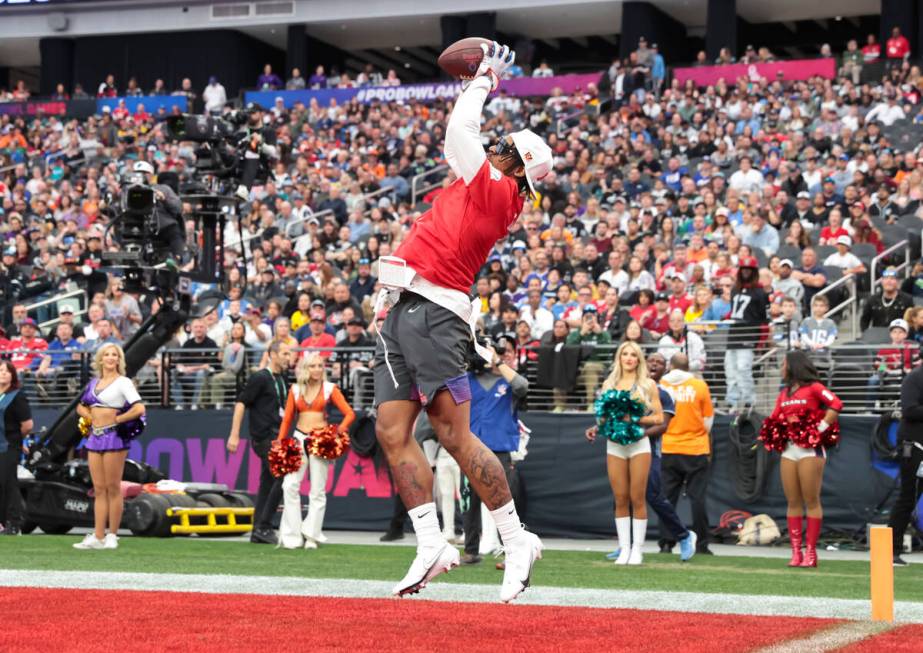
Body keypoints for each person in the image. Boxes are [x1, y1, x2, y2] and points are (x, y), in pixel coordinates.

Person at [371, 41, 550, 602]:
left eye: (503, 146)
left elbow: (457, 133)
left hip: (436, 315)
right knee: (391, 431)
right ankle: (431, 542)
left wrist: (484, 79)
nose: (493, 146)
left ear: (516, 165)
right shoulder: (483, 188)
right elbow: (461, 149)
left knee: (453, 434)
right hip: (407, 308)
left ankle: (515, 538)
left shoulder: (498, 193)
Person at [606, 353, 698, 562]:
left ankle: (684, 535)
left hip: (649, 450)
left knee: (652, 495)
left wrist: (636, 433)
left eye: (660, 362)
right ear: (645, 365)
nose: (655, 364)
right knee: (621, 494)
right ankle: (625, 546)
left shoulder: (664, 394)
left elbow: (663, 425)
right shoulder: (628, 390)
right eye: (652, 361)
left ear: (665, 369)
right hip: (622, 448)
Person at [585, 342, 664, 565]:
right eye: (625, 354)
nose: (629, 358)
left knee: (637, 497)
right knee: (620, 497)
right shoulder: (609, 384)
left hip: (639, 443)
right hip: (614, 444)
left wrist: (634, 419)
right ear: (619, 358)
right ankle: (624, 548)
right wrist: (595, 428)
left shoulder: (647, 384)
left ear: (639, 360)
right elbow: (603, 417)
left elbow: (658, 418)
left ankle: (637, 549)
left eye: (633, 355)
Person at [764, 351, 842, 567]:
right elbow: (774, 416)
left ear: (793, 366)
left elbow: (836, 404)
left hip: (811, 450)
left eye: (783, 364)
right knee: (793, 501)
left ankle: (811, 553)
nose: (781, 368)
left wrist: (820, 428)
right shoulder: (784, 393)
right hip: (789, 449)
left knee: (811, 499)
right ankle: (796, 552)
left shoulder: (814, 387)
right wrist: (775, 427)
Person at [276, 353, 355, 549]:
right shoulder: (295, 390)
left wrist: (338, 432)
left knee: (317, 490)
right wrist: (279, 441)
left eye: (320, 365)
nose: (318, 369)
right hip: (298, 438)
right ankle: (292, 536)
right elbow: (287, 419)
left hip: (320, 441)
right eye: (313, 366)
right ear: (306, 368)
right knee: (290, 485)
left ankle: (311, 535)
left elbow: (349, 413)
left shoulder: (330, 388)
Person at [461, 340, 529, 565]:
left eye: (503, 352)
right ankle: (471, 550)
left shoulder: (508, 380)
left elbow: (522, 386)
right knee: (469, 502)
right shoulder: (469, 380)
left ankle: (511, 552)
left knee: (504, 502)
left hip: (500, 449)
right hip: (471, 448)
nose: (496, 355)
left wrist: (498, 362)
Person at [72, 344, 146, 549]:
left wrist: (119, 419)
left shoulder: (123, 382)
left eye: (115, 355)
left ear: (119, 360)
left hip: (114, 437)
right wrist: (89, 416)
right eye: (107, 354)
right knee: (98, 488)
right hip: (95, 437)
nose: (111, 358)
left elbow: (139, 408)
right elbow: (80, 406)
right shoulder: (93, 383)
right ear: (101, 359)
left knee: (113, 488)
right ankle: (98, 535)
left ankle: (112, 535)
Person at [226, 341, 291, 545]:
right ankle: (264, 526)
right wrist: (234, 434)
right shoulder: (260, 378)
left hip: (277, 436)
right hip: (264, 437)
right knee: (283, 477)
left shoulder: (283, 378)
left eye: (289, 353)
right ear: (272, 354)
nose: (288, 357)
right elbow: (240, 403)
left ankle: (258, 530)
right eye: (284, 353)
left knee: (268, 482)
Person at [658, 353, 715, 555]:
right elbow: (708, 420)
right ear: (688, 367)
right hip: (695, 448)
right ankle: (702, 544)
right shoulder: (699, 386)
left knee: (667, 498)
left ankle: (666, 542)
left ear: (670, 365)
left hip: (668, 447)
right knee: (698, 498)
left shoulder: (661, 384)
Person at [724, 256, 769, 412]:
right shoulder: (735, 289)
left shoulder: (760, 292)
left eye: (749, 270)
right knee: (730, 370)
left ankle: (749, 401)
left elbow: (764, 320)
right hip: (733, 335)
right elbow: (737, 311)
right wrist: (727, 317)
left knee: (743, 368)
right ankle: (733, 403)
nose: (746, 272)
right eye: (743, 269)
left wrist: (761, 341)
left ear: (754, 272)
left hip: (749, 335)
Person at [889, 362, 923, 565]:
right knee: (908, 497)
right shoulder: (915, 377)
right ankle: (892, 549)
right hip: (915, 446)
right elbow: (909, 409)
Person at [0, 361, 33, 536]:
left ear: (13, 375)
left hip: (9, 445)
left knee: (8, 482)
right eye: (0, 371)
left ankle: (14, 523)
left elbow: (28, 425)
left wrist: (18, 439)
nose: (3, 374)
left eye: (7, 371)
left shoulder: (17, 396)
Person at [566, 304, 613, 409]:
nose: (590, 319)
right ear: (582, 318)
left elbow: (606, 352)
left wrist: (600, 334)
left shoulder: (604, 334)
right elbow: (568, 351)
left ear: (597, 318)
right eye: (587, 317)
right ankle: (560, 405)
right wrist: (581, 334)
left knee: (590, 367)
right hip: (577, 370)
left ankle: (591, 403)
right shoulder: (575, 334)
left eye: (592, 316)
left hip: (599, 369)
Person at [867, 319, 920, 409]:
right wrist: (885, 369)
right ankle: (869, 408)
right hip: (888, 375)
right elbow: (878, 364)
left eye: (900, 332)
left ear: (906, 334)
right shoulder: (884, 348)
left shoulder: (912, 348)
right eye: (894, 332)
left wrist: (911, 371)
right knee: (873, 380)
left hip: (907, 375)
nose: (897, 335)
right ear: (890, 334)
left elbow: (918, 364)